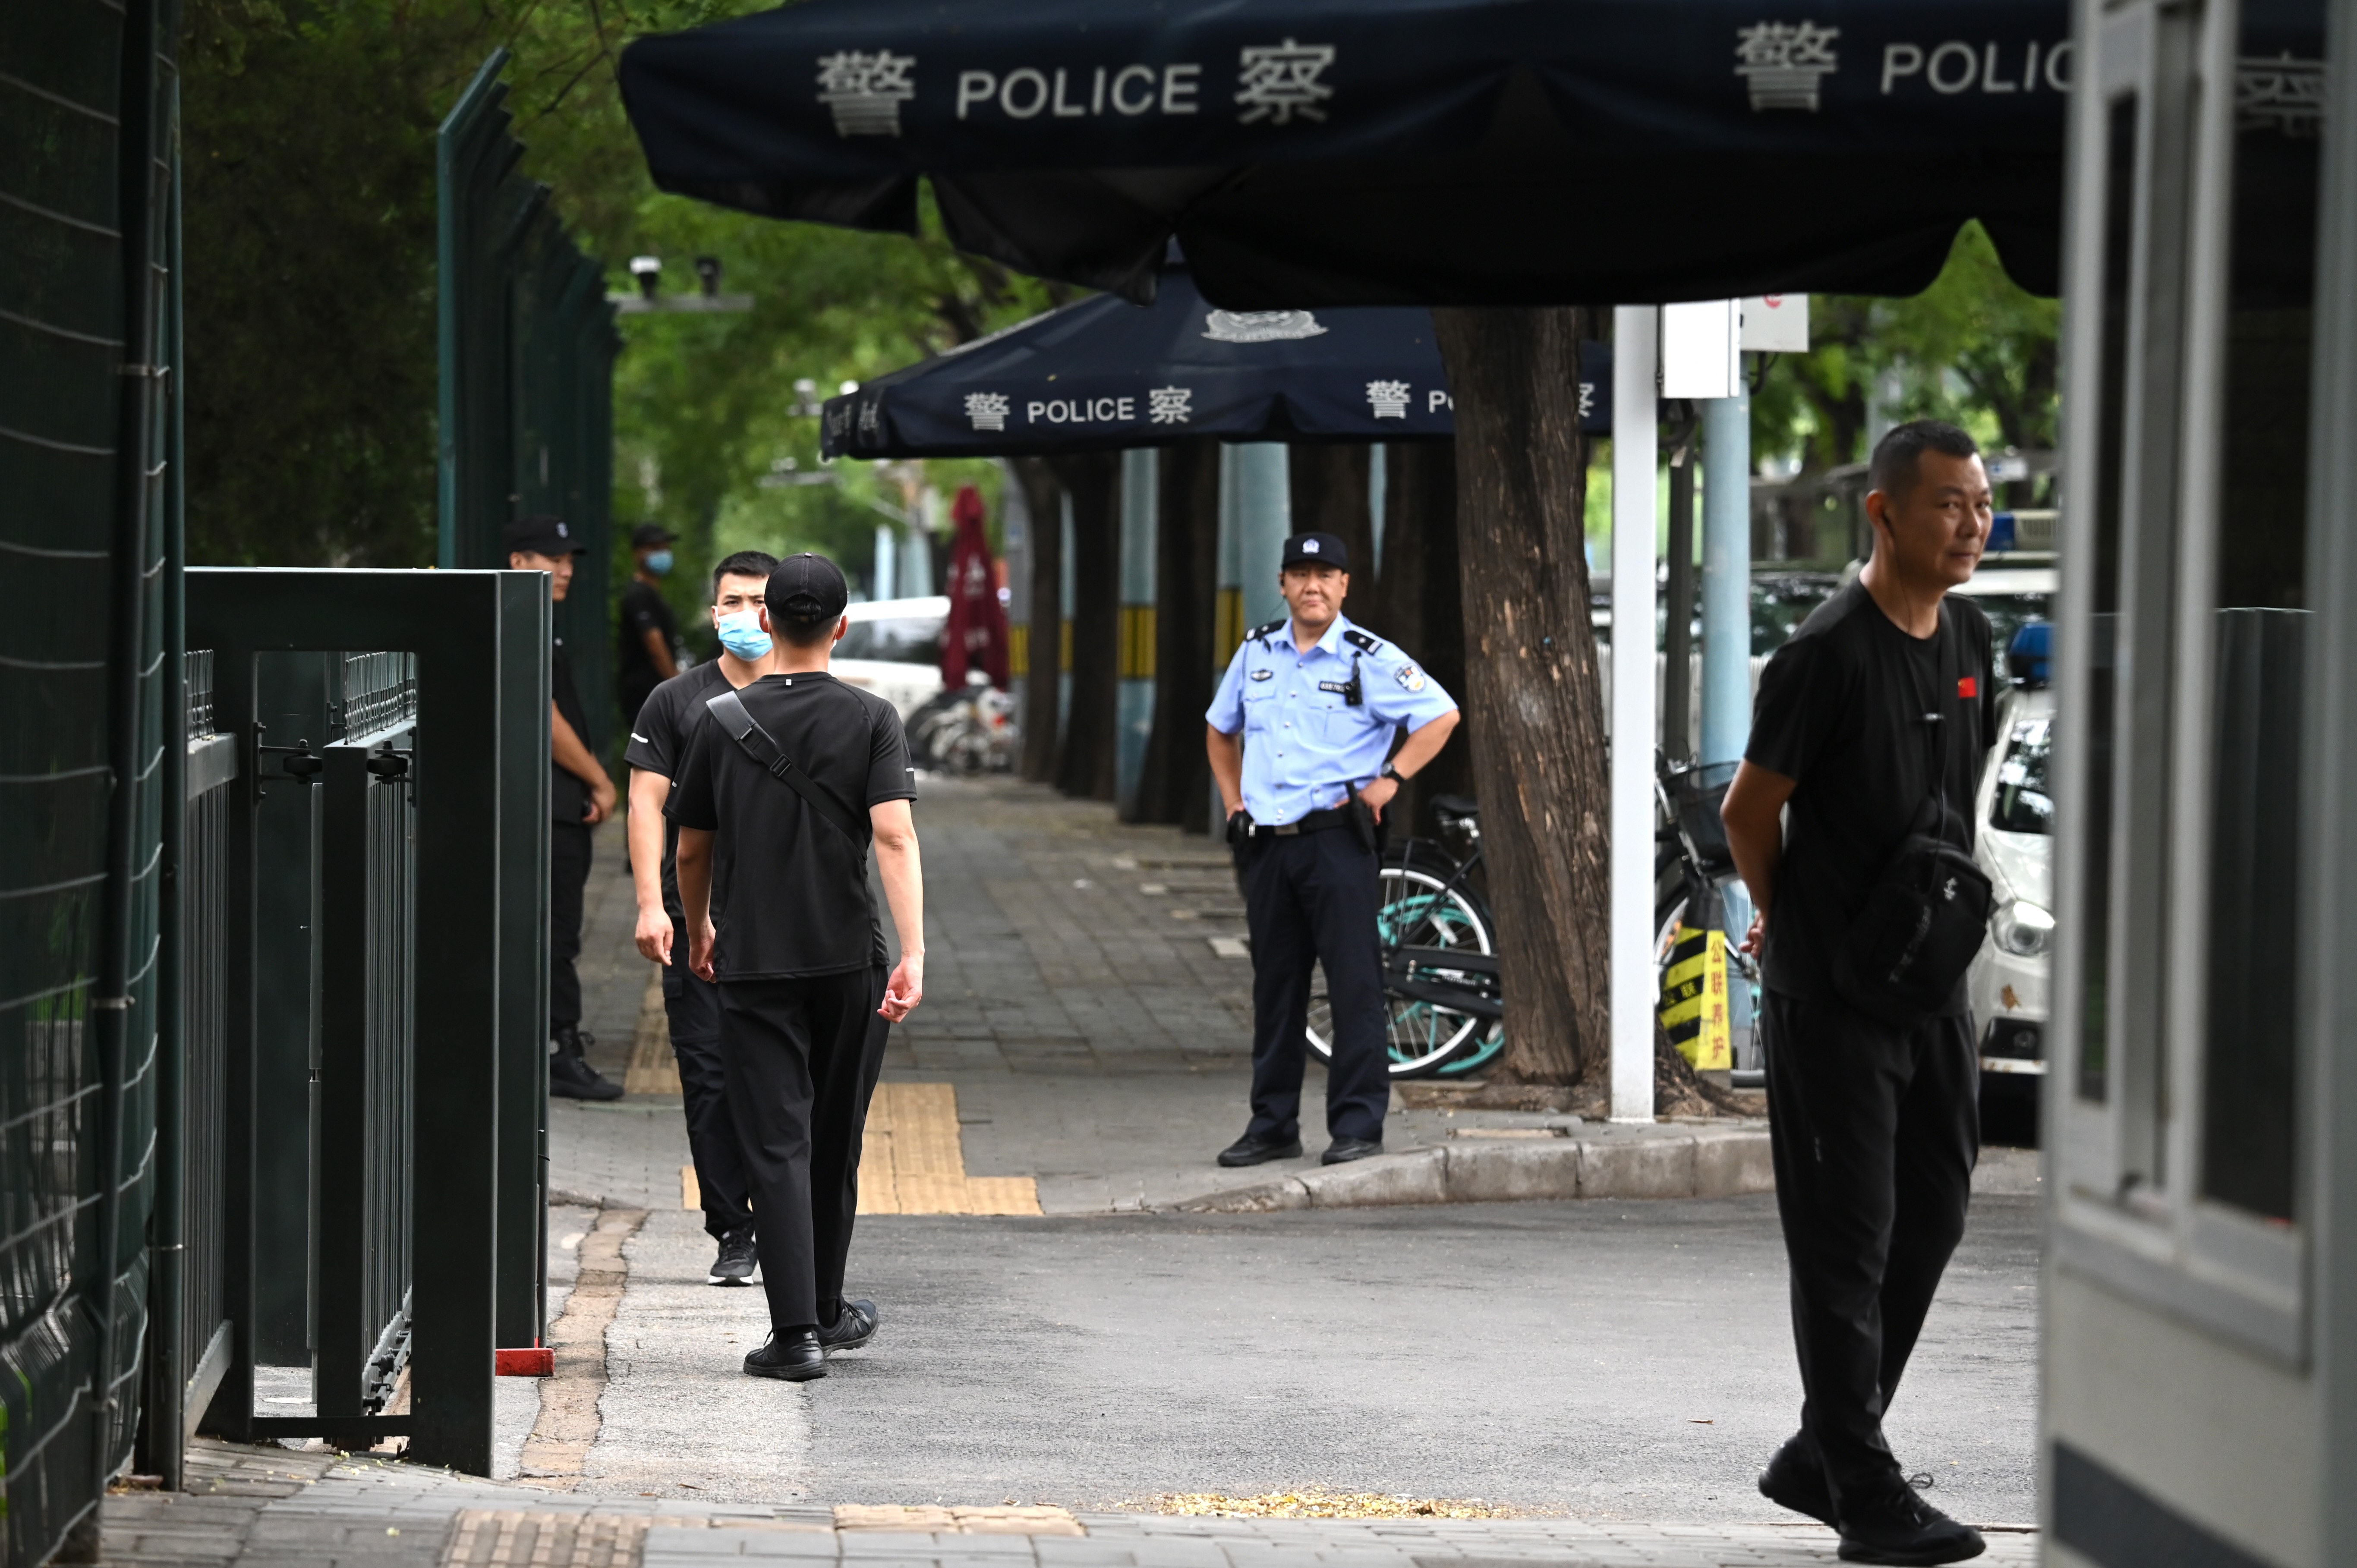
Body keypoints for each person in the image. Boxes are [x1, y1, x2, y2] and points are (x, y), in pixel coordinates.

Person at [1719, 420, 1998, 1567]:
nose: (1970, 525)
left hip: (1928, 987)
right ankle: (1864, 1491)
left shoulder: (1969, 634)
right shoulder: (1821, 657)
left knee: (1930, 1216)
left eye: (1980, 505)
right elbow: (1747, 810)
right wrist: (1784, 912)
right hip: (1830, 998)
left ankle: (1817, 1453)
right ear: (1882, 513)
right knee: (1846, 1242)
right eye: (1947, 505)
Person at [670, 553, 925, 1381]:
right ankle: (827, 1305)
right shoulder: (872, 718)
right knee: (834, 1136)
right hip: (850, 957)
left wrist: (701, 925)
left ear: (768, 622)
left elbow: (691, 847)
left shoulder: (718, 718)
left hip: (753, 962)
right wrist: (914, 950)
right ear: (842, 626)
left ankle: (796, 1334)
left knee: (775, 1142)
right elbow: (893, 836)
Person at [1204, 531, 1460, 1170]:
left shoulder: (1366, 657)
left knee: (1353, 986)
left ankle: (1357, 1123)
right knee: (1277, 989)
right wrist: (1233, 802)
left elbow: (1440, 715)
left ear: (1344, 585)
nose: (1312, 585)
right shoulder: (1256, 652)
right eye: (1300, 573)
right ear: (1283, 584)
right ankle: (1272, 1124)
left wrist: (1392, 779)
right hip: (1268, 846)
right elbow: (1219, 728)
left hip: (1336, 842)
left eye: (1325, 574)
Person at [624, 550, 778, 1287]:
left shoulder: (809, 696)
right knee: (710, 1074)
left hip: (787, 924)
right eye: (732, 600)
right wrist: (652, 905)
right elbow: (645, 802)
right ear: (713, 611)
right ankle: (733, 1227)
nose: (745, 612)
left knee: (781, 1077)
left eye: (759, 599)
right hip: (697, 920)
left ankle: (786, 1217)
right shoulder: (675, 700)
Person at [507, 515, 624, 1102]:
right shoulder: (522, 620)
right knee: (554, 931)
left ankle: (547, 1041)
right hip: (549, 803)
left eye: (571, 560)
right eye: (553, 559)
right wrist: (601, 780)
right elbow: (544, 717)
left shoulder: (536, 620)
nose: (567, 570)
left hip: (549, 801)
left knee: (550, 928)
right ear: (519, 562)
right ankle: (559, 1048)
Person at [618, 523, 684, 726]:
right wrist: (677, 685)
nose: (662, 553)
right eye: (655, 548)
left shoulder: (651, 594)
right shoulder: (639, 595)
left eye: (665, 548)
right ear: (638, 553)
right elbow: (654, 643)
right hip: (646, 694)